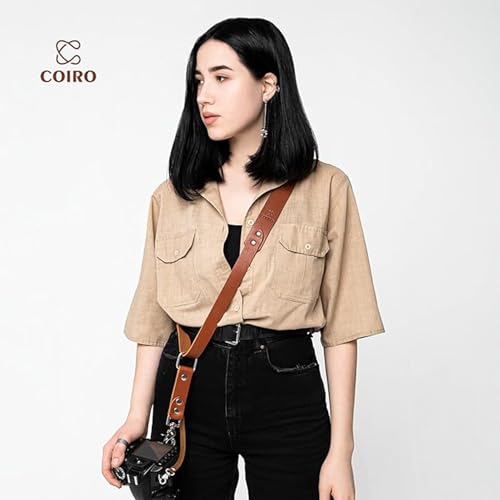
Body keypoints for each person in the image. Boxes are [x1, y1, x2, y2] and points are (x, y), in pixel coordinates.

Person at [102, 17, 386, 500]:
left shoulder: (327, 188)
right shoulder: (171, 196)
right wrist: (135, 418)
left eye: (221, 77)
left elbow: (343, 326)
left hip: (286, 394)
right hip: (187, 394)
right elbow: (152, 320)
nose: (204, 96)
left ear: (268, 85)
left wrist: (341, 451)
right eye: (198, 81)